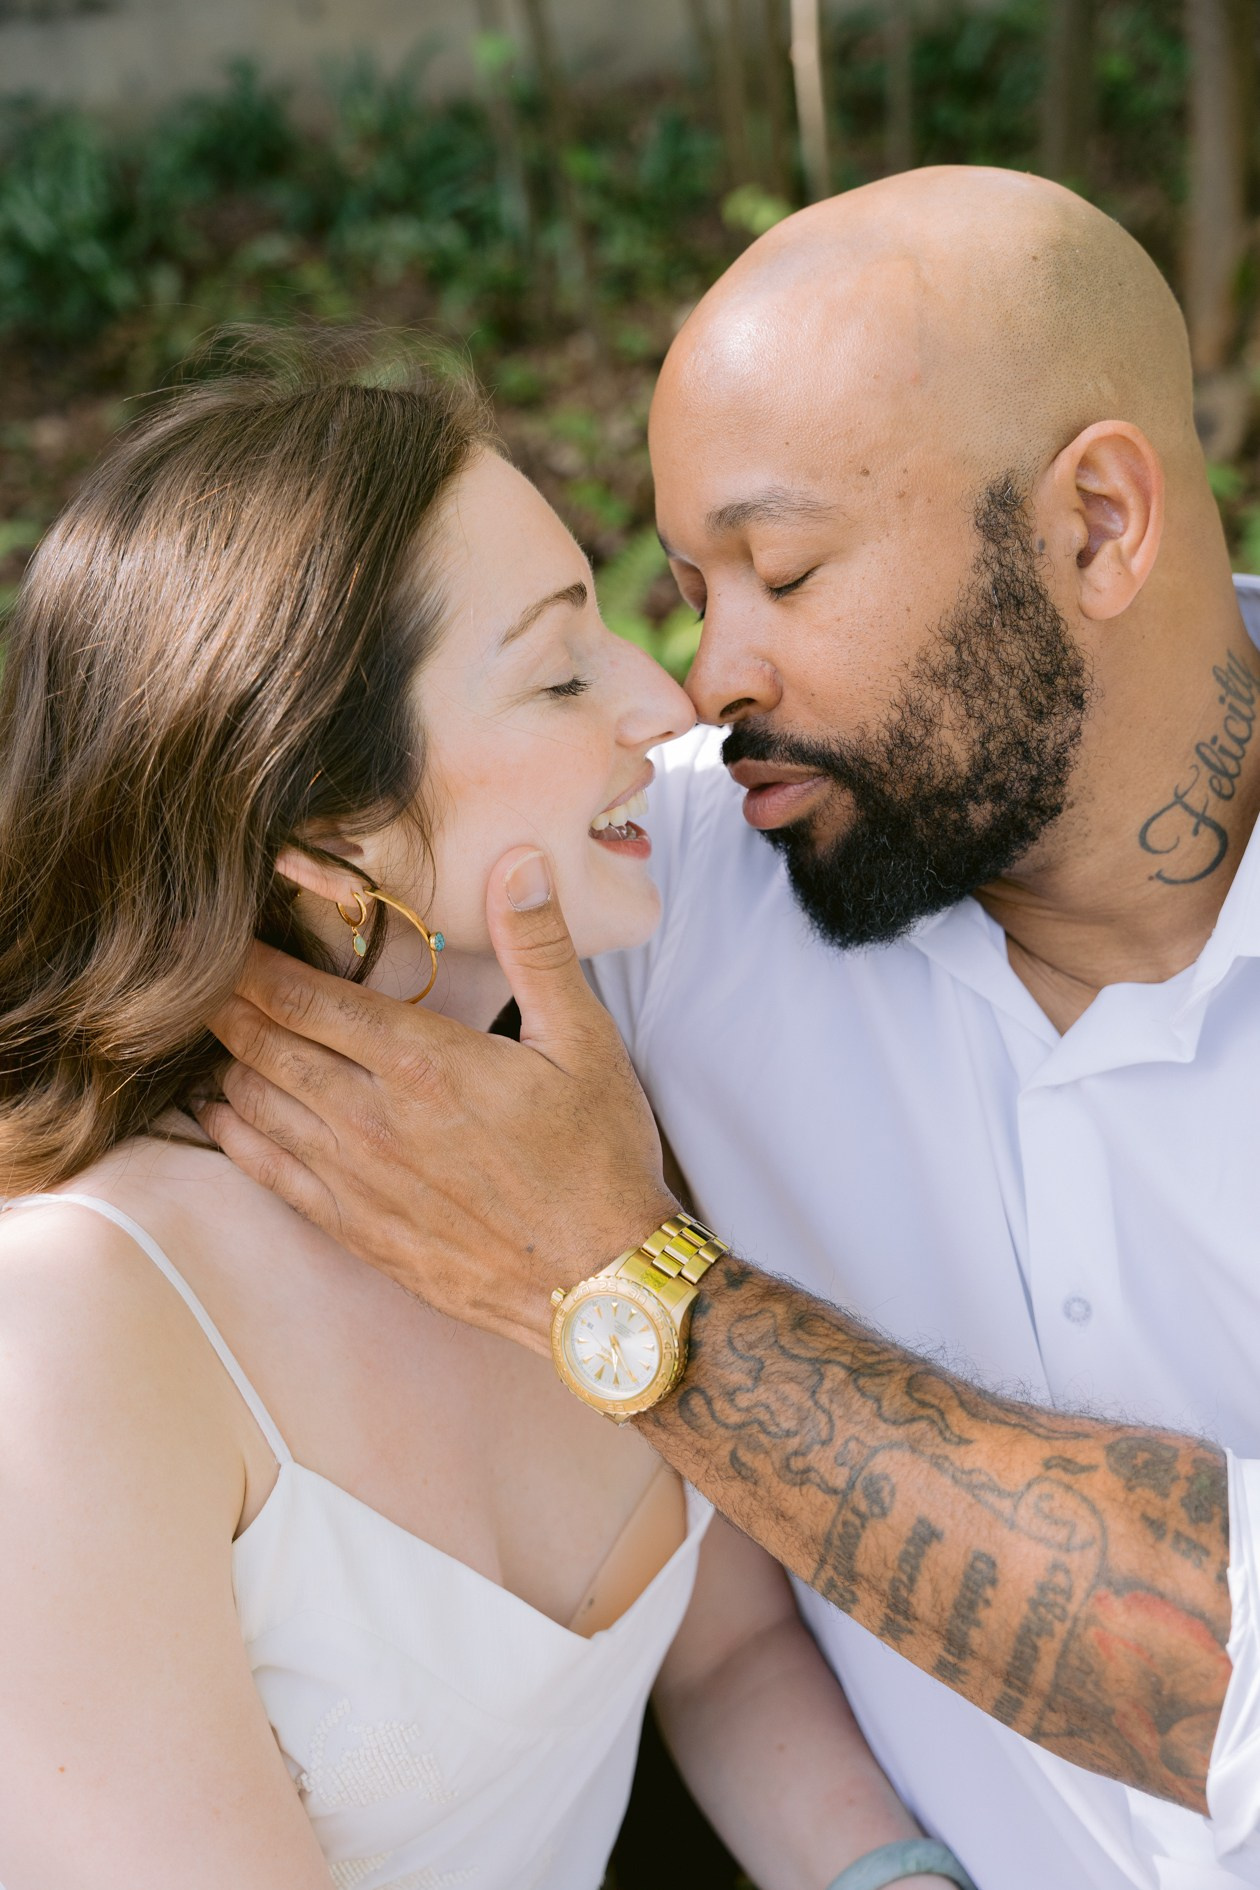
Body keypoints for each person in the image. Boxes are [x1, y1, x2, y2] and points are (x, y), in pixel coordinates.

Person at [203, 167, 1260, 1889]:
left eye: (783, 569)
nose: (704, 686)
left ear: (1096, 525)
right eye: (695, 590)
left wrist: (625, 1280)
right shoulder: (667, 877)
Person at [0, 336, 965, 1890]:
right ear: (324, 825)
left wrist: (889, 1877)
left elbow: (722, 1658)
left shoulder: (583, 1109)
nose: (668, 705)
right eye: (563, 668)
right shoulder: (74, 1337)